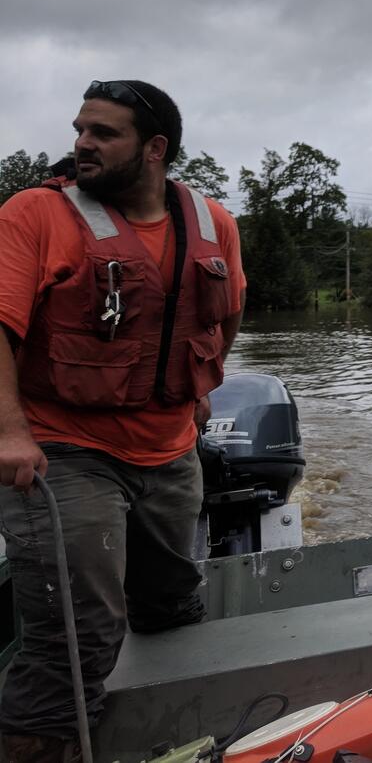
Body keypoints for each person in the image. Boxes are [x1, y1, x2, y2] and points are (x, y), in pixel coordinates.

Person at [0, 81, 245, 762]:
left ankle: (176, 724)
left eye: (103, 133)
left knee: (171, 605)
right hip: (63, 448)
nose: (82, 142)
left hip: (168, 450)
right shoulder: (34, 215)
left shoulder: (213, 223)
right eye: (81, 128)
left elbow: (227, 313)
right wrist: (8, 432)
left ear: (154, 149)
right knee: (75, 635)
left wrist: (207, 384)